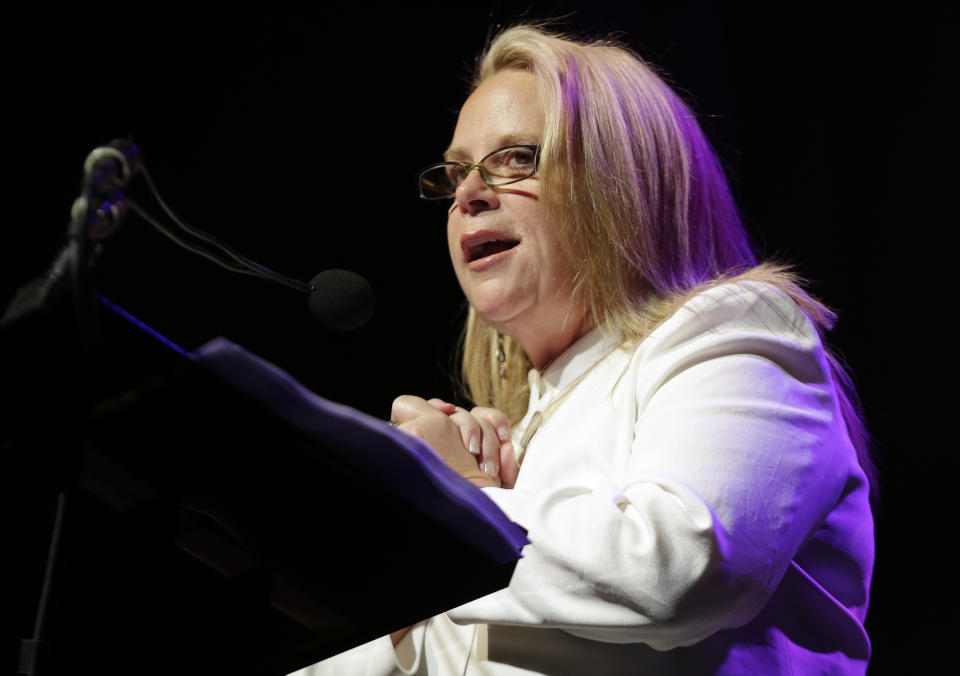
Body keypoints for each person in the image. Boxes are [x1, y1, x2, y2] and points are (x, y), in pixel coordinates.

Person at [293, 24, 875, 675]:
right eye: (456, 173)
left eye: (516, 158)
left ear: (623, 180)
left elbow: (680, 573)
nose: (468, 195)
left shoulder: (732, 331)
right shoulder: (509, 434)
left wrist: (454, 493)